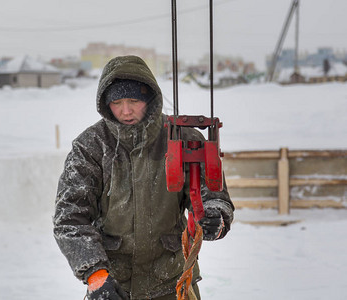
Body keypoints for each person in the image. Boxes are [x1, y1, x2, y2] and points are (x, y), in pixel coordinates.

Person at [53, 55, 234, 300]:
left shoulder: (185, 139)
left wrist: (214, 217)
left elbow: (213, 195)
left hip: (174, 283)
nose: (125, 111)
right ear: (106, 104)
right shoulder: (90, 146)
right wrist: (96, 276)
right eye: (117, 102)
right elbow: (69, 218)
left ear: (149, 99)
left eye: (133, 100)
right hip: (112, 286)